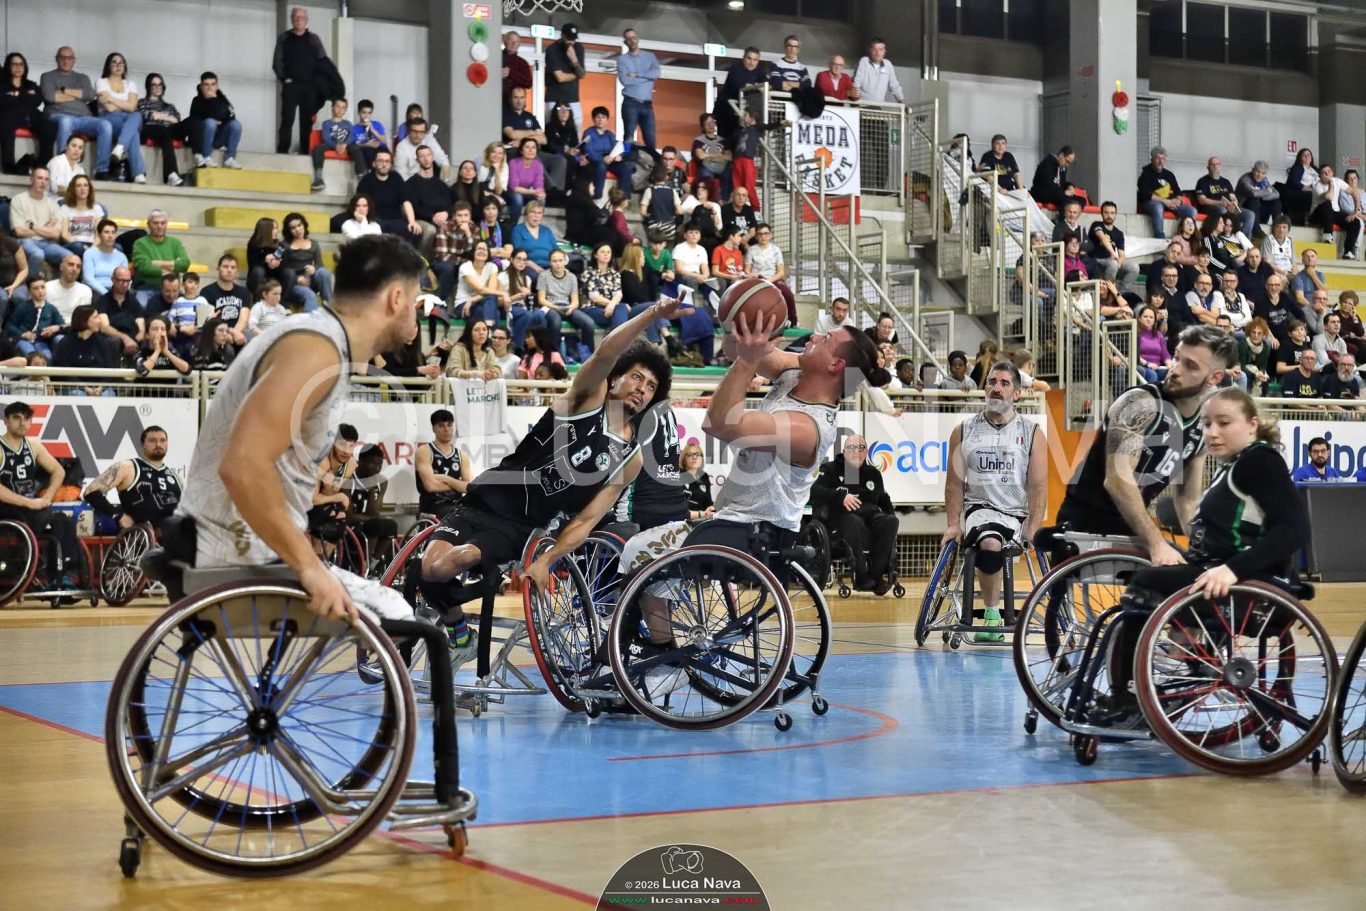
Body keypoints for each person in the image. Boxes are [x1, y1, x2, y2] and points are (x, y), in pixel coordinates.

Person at [424, 298, 683, 674]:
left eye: (651, 387)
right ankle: (458, 631)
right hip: (482, 498)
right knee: (429, 569)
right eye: (637, 377)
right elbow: (606, 352)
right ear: (615, 379)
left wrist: (547, 561)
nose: (642, 389)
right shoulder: (587, 399)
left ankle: (459, 631)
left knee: (451, 563)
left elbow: (585, 521)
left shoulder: (632, 457)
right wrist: (651, 316)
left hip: (522, 527)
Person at [179, 234, 421, 629]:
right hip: (231, 553)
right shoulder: (316, 350)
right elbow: (242, 466)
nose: (415, 315)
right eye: (415, 302)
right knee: (403, 618)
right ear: (396, 299)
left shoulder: (318, 338)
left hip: (238, 546)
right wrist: (309, 566)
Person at [1105, 389, 1309, 718]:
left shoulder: (1260, 461)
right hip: (1226, 576)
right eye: (1207, 423)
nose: (1212, 432)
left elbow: (1295, 529)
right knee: (1150, 576)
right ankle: (1161, 679)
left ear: (1252, 424)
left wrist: (1233, 570)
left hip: (1252, 590)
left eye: (1224, 423)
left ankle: (1130, 698)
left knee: (1146, 583)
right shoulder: (1235, 465)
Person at [1053, 326, 1236, 565]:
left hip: (1132, 528)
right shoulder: (1139, 403)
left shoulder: (1202, 425)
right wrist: (1156, 543)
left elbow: (1187, 501)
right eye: (1177, 358)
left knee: (1199, 573)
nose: (1175, 370)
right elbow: (1117, 480)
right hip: (1084, 522)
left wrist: (1206, 549)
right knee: (1166, 568)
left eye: (1190, 366)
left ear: (1215, 378)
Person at [943, 361, 1047, 639]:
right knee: (989, 542)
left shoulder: (1032, 432)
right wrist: (953, 523)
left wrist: (1034, 526)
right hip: (979, 509)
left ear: (1017, 393)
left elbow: (1038, 486)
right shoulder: (964, 430)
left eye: (1004, 383)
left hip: (1015, 513)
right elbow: (954, 484)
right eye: (991, 382)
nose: (996, 388)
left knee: (1001, 540)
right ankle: (992, 615)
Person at [0, 401, 80, 585]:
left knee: (66, 522)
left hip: (29, 508)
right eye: (16, 418)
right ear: (6, 421)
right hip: (6, 508)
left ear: (31, 422)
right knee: (55, 523)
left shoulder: (33, 446)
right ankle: (53, 576)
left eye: (26, 419)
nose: (22, 423)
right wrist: (29, 502)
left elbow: (58, 471)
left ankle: (66, 573)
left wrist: (47, 497)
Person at [811, 435, 899, 594]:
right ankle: (861, 574)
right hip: (841, 517)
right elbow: (814, 491)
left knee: (891, 521)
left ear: (866, 452)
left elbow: (883, 499)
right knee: (852, 521)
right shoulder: (830, 469)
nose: (856, 452)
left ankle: (876, 575)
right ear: (844, 451)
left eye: (860, 448)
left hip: (870, 516)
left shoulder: (873, 473)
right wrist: (841, 497)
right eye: (851, 448)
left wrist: (891, 515)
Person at [82, 425, 182, 532]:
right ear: (142, 444)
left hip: (175, 530)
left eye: (162, 440)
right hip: (142, 531)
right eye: (152, 440)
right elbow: (90, 492)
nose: (158, 444)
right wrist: (118, 515)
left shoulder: (174, 475)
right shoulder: (127, 467)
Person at [40, 47, 114, 181]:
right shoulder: (47, 76)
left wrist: (64, 91)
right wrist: (78, 95)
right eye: (62, 57)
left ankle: (102, 170)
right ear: (56, 59)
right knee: (66, 121)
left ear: (74, 60)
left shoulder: (82, 78)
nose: (66, 60)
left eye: (69, 58)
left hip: (84, 117)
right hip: (58, 115)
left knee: (105, 125)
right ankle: (62, 168)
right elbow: (50, 96)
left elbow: (90, 95)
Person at [273, 6, 325, 154]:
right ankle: (282, 151)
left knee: (306, 122)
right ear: (292, 19)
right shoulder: (284, 38)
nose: (299, 20)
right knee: (287, 120)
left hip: (310, 88)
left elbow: (322, 61)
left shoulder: (314, 39)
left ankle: (305, 152)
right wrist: (284, 78)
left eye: (302, 17)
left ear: (306, 20)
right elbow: (277, 62)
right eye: (296, 17)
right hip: (291, 86)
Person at [93, 52, 147, 184]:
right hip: (108, 118)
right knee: (133, 131)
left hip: (129, 118)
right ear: (108, 65)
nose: (118, 65)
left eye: (121, 63)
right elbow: (109, 108)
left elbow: (132, 107)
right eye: (114, 62)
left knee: (136, 115)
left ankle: (120, 147)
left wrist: (111, 98)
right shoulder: (101, 82)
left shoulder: (130, 84)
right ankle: (138, 173)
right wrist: (125, 105)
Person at [11, 166, 75, 270]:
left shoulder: (52, 203)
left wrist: (32, 226)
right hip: (26, 241)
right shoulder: (18, 200)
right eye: (39, 178)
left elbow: (55, 234)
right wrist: (46, 228)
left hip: (48, 243)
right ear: (31, 179)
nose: (43, 182)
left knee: (70, 257)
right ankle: (29, 280)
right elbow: (19, 232)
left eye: (46, 179)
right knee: (38, 254)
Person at [1137, 146, 1197, 239]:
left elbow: (1178, 191)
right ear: (1152, 159)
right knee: (1158, 207)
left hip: (1170, 203)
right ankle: (1160, 238)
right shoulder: (1146, 174)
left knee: (1191, 211)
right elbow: (1145, 194)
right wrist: (1165, 201)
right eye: (1157, 158)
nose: (1160, 161)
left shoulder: (1169, 174)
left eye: (1163, 158)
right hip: (1151, 203)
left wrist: (1178, 201)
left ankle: (1182, 236)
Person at [131, 209, 189, 305]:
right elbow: (145, 268)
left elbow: (184, 265)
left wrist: (157, 263)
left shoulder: (175, 243)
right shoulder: (140, 243)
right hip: (147, 288)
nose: (159, 226)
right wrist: (173, 266)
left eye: (163, 223)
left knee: (187, 308)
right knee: (140, 307)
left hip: (172, 289)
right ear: (148, 224)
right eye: (155, 223)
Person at [184, 72, 241, 169]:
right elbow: (199, 119)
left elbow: (231, 115)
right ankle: (206, 156)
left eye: (213, 84)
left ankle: (229, 158)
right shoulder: (197, 100)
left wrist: (215, 101)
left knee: (236, 125)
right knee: (210, 122)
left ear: (217, 86)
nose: (210, 88)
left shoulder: (221, 99)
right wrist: (217, 116)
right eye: (206, 85)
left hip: (218, 137)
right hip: (202, 138)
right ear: (201, 86)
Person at [138, 73, 186, 187]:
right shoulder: (142, 102)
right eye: (154, 84)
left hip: (168, 129)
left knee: (189, 124)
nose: (157, 87)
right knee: (164, 133)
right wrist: (166, 116)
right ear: (148, 87)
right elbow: (146, 115)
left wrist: (158, 115)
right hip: (151, 128)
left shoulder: (169, 106)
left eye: (159, 84)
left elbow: (177, 119)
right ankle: (171, 174)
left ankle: (197, 159)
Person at [1, 53, 44, 176]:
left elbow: (38, 100)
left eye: (21, 64)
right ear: (8, 66)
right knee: (5, 124)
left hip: (31, 116)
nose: (18, 67)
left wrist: (15, 95)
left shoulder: (31, 84)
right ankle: (9, 167)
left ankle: (43, 166)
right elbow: (3, 100)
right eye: (14, 64)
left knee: (49, 126)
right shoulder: (2, 85)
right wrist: (26, 96)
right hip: (9, 116)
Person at [617, 27, 659, 152]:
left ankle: (653, 162)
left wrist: (637, 74)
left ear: (638, 39)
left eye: (634, 38)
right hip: (631, 103)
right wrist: (647, 77)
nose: (632, 41)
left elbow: (656, 74)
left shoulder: (650, 56)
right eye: (629, 39)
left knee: (651, 140)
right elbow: (625, 80)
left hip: (647, 104)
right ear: (625, 42)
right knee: (629, 137)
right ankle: (626, 160)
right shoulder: (622, 59)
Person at [311, 97, 363, 190]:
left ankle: (361, 177)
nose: (340, 110)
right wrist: (336, 146)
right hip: (331, 145)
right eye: (338, 106)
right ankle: (318, 179)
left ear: (345, 110)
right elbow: (326, 138)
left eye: (343, 107)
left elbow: (351, 137)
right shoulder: (326, 123)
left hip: (346, 145)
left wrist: (344, 145)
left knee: (356, 149)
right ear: (332, 108)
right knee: (318, 148)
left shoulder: (348, 124)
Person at [7, 275, 63, 359]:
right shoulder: (23, 307)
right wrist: (22, 334)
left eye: (42, 287)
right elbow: (10, 325)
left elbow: (62, 324)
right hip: (24, 340)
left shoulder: (51, 308)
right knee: (31, 355)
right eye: (36, 288)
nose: (40, 291)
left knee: (47, 357)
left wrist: (56, 327)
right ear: (29, 291)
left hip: (41, 342)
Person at [280, 212, 329, 310]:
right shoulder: (284, 245)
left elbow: (320, 265)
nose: (297, 230)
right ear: (289, 230)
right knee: (310, 295)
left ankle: (329, 305)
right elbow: (282, 270)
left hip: (310, 279)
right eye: (293, 228)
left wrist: (314, 269)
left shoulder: (314, 243)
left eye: (299, 225)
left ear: (304, 225)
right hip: (294, 284)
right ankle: (309, 320)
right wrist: (297, 279)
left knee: (323, 272)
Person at [1088, 201, 1139, 293]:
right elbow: (1103, 238)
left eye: (1112, 213)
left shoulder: (1118, 233)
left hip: (1110, 260)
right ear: (1102, 214)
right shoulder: (1096, 225)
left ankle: (1121, 293)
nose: (1109, 216)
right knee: (1113, 264)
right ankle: (1108, 292)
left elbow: (1122, 254)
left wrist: (1120, 260)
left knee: (1134, 267)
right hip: (1096, 259)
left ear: (1115, 215)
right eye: (1106, 213)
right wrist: (1113, 254)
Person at [94, 265, 144, 358]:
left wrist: (138, 337)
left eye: (127, 281)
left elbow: (141, 325)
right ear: (113, 280)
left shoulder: (133, 301)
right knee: (114, 341)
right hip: (112, 337)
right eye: (121, 280)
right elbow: (104, 328)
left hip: (133, 337)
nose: (125, 284)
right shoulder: (103, 301)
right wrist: (125, 338)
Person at [201, 253, 250, 346]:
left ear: (236, 271)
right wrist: (227, 333)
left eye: (233, 267)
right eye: (225, 266)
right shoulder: (206, 292)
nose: (229, 270)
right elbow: (206, 321)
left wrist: (234, 332)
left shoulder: (243, 292)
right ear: (218, 269)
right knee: (228, 350)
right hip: (216, 334)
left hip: (238, 332)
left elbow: (244, 318)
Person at [544, 22, 587, 125]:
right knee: (554, 125)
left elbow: (582, 74)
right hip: (554, 97)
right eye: (569, 38)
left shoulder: (578, 48)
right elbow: (560, 77)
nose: (571, 41)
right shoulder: (553, 49)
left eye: (573, 38)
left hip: (572, 97)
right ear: (562, 35)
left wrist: (575, 61)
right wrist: (576, 75)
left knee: (577, 123)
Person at [394, 118, 450, 183]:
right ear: (409, 131)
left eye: (421, 132)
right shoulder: (401, 147)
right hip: (411, 183)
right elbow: (401, 174)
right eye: (415, 131)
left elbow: (443, 160)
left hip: (431, 181)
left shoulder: (429, 140)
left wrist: (445, 180)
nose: (418, 135)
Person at [1235, 160, 1282, 237]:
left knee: (1276, 202)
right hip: (1243, 209)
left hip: (1258, 210)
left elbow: (1277, 194)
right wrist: (1267, 191)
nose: (1260, 175)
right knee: (1254, 200)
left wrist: (1262, 195)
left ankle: (1277, 229)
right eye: (1258, 171)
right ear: (1253, 170)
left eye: (1263, 173)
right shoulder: (1245, 179)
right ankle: (1256, 231)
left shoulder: (1264, 180)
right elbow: (1253, 194)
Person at [82, 218, 126, 296]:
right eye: (106, 232)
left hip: (116, 290)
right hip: (95, 290)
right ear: (99, 235)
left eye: (113, 232)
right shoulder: (89, 253)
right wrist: (107, 294)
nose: (110, 236)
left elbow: (125, 278)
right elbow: (88, 278)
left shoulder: (121, 256)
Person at [680, 442, 713, 521]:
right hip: (684, 519)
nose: (694, 457)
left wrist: (712, 511)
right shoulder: (678, 475)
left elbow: (708, 503)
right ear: (684, 459)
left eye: (697, 455)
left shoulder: (704, 476)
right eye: (690, 455)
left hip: (702, 519)